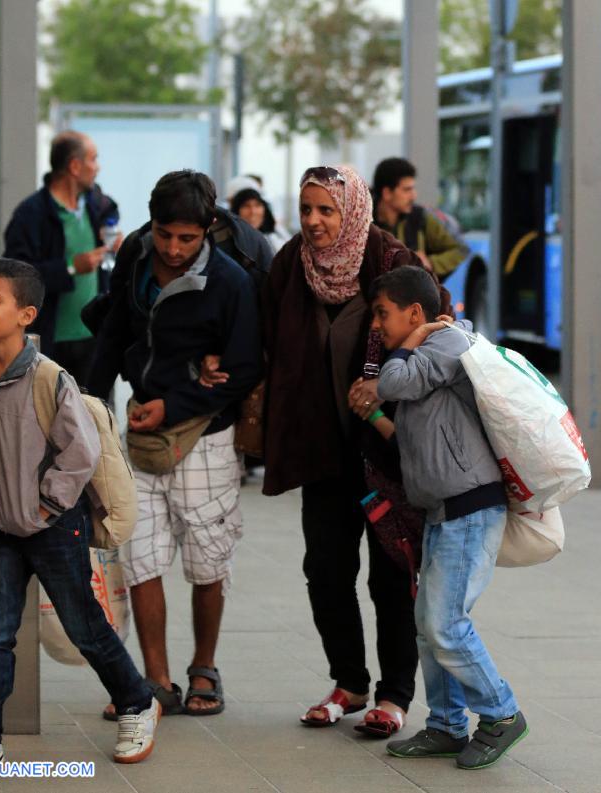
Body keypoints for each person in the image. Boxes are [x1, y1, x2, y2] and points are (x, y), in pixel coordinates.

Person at [0, 259, 160, 769]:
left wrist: (47, 504)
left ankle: (138, 701)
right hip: (4, 528)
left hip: (55, 526)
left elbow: (80, 452)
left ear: (26, 314)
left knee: (85, 627)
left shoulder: (50, 379)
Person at [261, 164, 444, 738]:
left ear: (354, 210)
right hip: (322, 450)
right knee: (326, 570)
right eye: (306, 208)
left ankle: (393, 696)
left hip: (388, 453)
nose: (314, 221)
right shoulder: (291, 264)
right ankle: (349, 682)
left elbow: (441, 333)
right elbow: (268, 339)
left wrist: (387, 385)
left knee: (392, 576)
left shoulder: (394, 263)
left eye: (327, 210)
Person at [87, 170, 263, 719]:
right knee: (140, 557)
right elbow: (114, 334)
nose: (174, 248)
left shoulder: (231, 282)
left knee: (208, 560)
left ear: (208, 229)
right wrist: (91, 411)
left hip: (206, 438)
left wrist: (179, 402)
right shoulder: (136, 260)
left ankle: (202, 667)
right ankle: (154, 681)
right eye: (165, 234)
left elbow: (245, 369)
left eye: (187, 238)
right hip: (140, 435)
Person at [358, 265, 527, 770]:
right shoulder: (434, 352)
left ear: (414, 313)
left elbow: (391, 381)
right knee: (427, 626)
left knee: (446, 624)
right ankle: (447, 725)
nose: (375, 326)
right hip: (444, 509)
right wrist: (369, 416)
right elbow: (415, 434)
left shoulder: (447, 343)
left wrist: (410, 342)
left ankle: (502, 713)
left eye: (382, 314)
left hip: (470, 507)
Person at [3, 130, 121, 382]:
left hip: (94, 339)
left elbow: (112, 216)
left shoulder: (96, 206)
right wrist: (70, 267)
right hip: (49, 343)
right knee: (49, 416)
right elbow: (14, 276)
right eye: (93, 159)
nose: (97, 168)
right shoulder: (30, 214)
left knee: (94, 416)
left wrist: (118, 242)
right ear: (75, 166)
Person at [372, 157, 468, 279]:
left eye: (413, 188)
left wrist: (430, 263)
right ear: (387, 193)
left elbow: (460, 249)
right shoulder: (363, 223)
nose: (413, 196)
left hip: (414, 296)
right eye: (407, 190)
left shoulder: (420, 218)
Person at [230, 185, 290, 254]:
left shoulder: (274, 241)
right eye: (246, 206)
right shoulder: (228, 242)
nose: (253, 211)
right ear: (236, 211)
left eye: (257, 205)